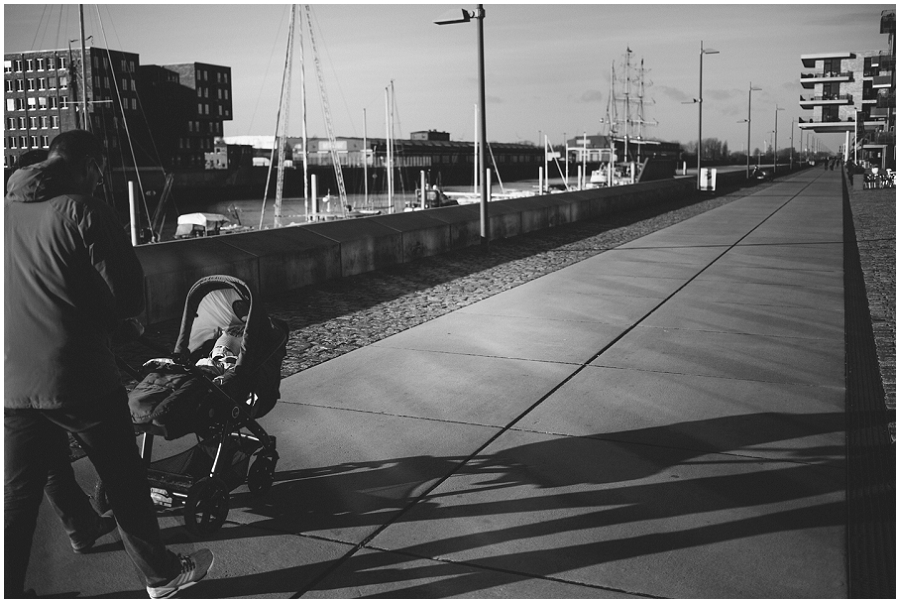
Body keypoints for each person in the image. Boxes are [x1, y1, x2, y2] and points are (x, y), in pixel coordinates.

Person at [4, 130, 214, 599]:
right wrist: (114, 324)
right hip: (78, 373)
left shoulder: (5, 211)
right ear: (91, 164)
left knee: (20, 496)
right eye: (101, 170)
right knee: (123, 479)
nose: (101, 179)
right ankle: (161, 576)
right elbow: (129, 298)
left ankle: (30, 572)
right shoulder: (83, 210)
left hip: (12, 379)